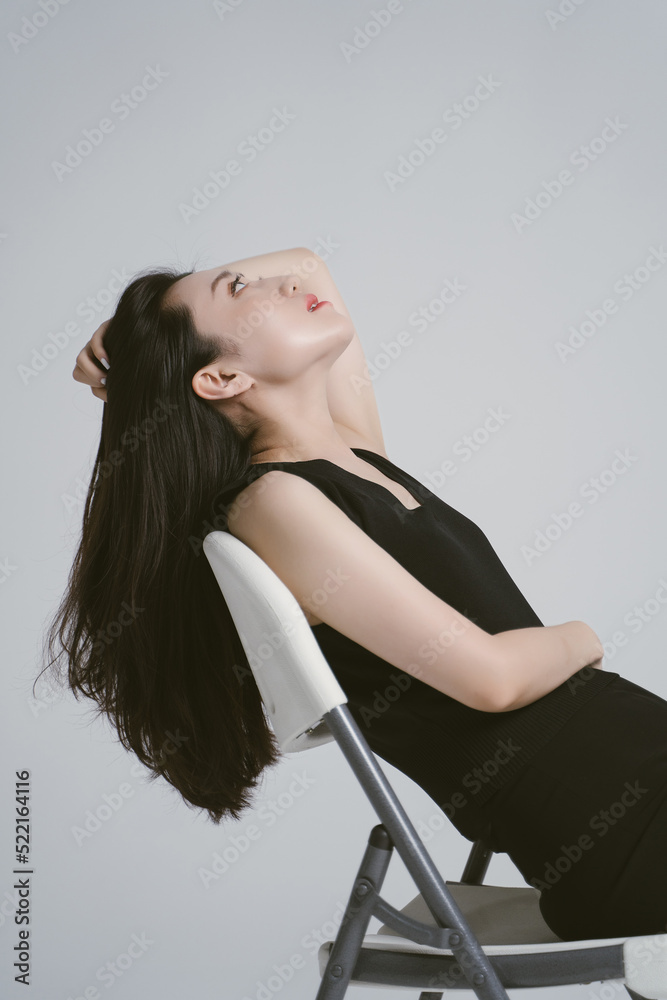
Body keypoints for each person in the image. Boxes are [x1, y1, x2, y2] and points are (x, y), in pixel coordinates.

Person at [47, 245, 667, 942]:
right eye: (241, 287)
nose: (282, 283)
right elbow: (490, 679)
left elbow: (307, 263)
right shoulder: (274, 503)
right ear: (221, 376)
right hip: (619, 826)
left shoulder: (354, 456)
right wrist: (583, 636)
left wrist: (125, 343)